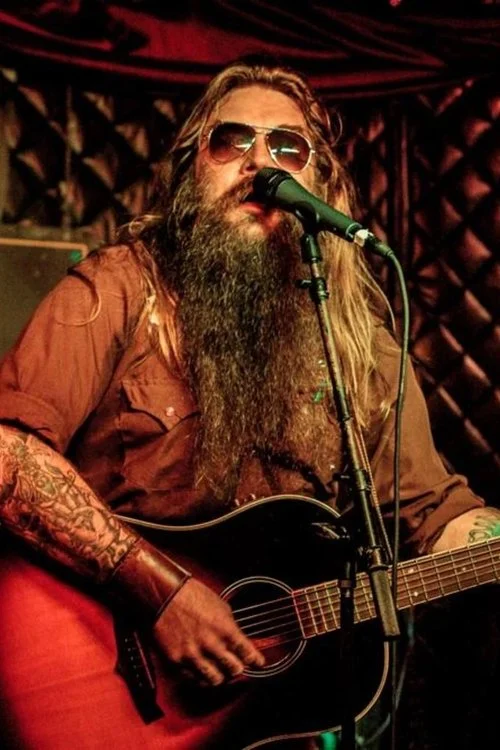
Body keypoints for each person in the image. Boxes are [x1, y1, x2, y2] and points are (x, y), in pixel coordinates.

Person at [0, 58, 498, 750]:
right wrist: (161, 591)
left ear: (319, 186)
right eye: (231, 140)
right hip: (88, 676)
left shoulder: (360, 348)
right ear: (190, 170)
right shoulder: (116, 290)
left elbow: (433, 516)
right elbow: (8, 453)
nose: (259, 162)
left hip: (263, 724)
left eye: (288, 148)